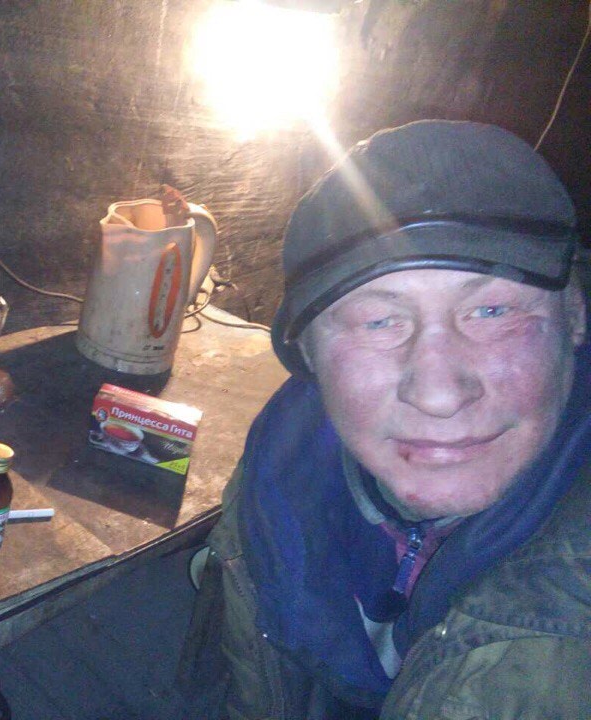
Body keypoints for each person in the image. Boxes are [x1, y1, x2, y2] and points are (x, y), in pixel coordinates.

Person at [196, 119, 591, 719]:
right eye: (378, 321)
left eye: (492, 310)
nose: (438, 394)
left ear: (575, 315)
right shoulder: (273, 490)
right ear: (308, 352)